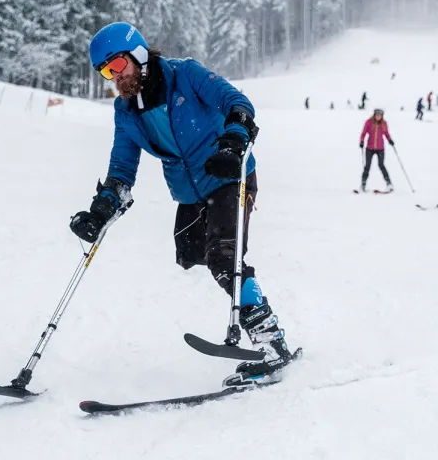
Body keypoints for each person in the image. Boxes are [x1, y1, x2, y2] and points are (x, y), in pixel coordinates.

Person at [69, 22, 297, 386]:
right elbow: (122, 167)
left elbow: (236, 103)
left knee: (225, 257)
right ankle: (246, 300)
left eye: (117, 67)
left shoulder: (185, 75)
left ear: (139, 55)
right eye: (106, 72)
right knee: (196, 253)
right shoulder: (126, 111)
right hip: (189, 193)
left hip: (229, 173)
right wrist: (101, 209)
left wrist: (234, 140)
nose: (115, 78)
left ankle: (271, 343)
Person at [359, 108, 394, 192]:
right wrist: (361, 141)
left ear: (382, 116)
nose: (378, 117)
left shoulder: (384, 123)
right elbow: (363, 133)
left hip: (380, 148)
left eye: (380, 115)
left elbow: (386, 133)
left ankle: (389, 183)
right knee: (367, 166)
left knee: (381, 165)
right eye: (377, 115)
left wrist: (389, 140)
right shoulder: (368, 122)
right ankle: (363, 184)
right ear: (374, 115)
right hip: (369, 148)